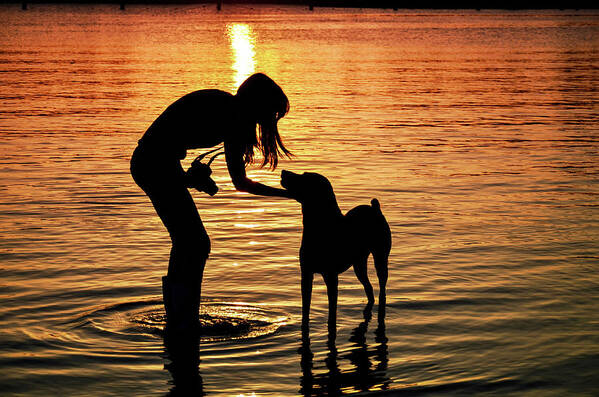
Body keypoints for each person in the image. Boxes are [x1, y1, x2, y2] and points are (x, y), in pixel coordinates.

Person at [130, 73, 293, 335]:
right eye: (271, 113)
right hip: (152, 163)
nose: (270, 120)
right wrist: (290, 195)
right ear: (258, 104)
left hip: (155, 162)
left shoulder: (227, 107)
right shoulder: (231, 115)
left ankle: (180, 317)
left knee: (189, 242)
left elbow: (169, 140)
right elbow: (241, 183)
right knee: (193, 242)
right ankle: (182, 321)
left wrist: (188, 179)